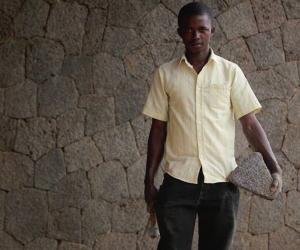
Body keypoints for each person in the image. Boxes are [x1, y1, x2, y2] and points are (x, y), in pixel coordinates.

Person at [142, 2, 283, 250]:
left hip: (223, 182)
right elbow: (158, 130)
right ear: (179, 33)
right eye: (188, 29)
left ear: (212, 31)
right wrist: (148, 180)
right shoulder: (165, 74)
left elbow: (250, 124)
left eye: (202, 29)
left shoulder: (231, 73)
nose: (195, 35)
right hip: (177, 182)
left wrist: (274, 167)